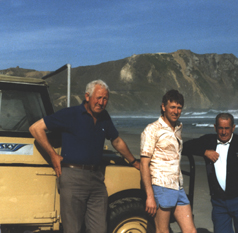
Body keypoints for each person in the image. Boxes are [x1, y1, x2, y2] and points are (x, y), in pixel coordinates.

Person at [29, 79, 140, 233]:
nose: (101, 103)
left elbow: (116, 140)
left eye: (105, 99)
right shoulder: (70, 114)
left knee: (99, 229)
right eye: (98, 98)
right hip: (72, 177)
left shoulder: (104, 117)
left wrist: (134, 161)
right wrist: (53, 155)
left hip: (97, 179)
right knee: (72, 229)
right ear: (87, 97)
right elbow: (35, 128)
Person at [182, 113, 238, 233]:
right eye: (220, 128)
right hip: (219, 203)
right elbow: (184, 147)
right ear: (215, 127)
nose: (223, 132)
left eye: (227, 128)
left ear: (233, 127)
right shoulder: (209, 141)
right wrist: (204, 151)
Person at [140, 90, 197, 233]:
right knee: (162, 230)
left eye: (179, 108)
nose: (176, 111)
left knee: (191, 230)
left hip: (178, 185)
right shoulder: (152, 129)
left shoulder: (178, 128)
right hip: (161, 185)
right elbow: (144, 164)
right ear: (163, 107)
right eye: (172, 107)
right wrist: (150, 196)